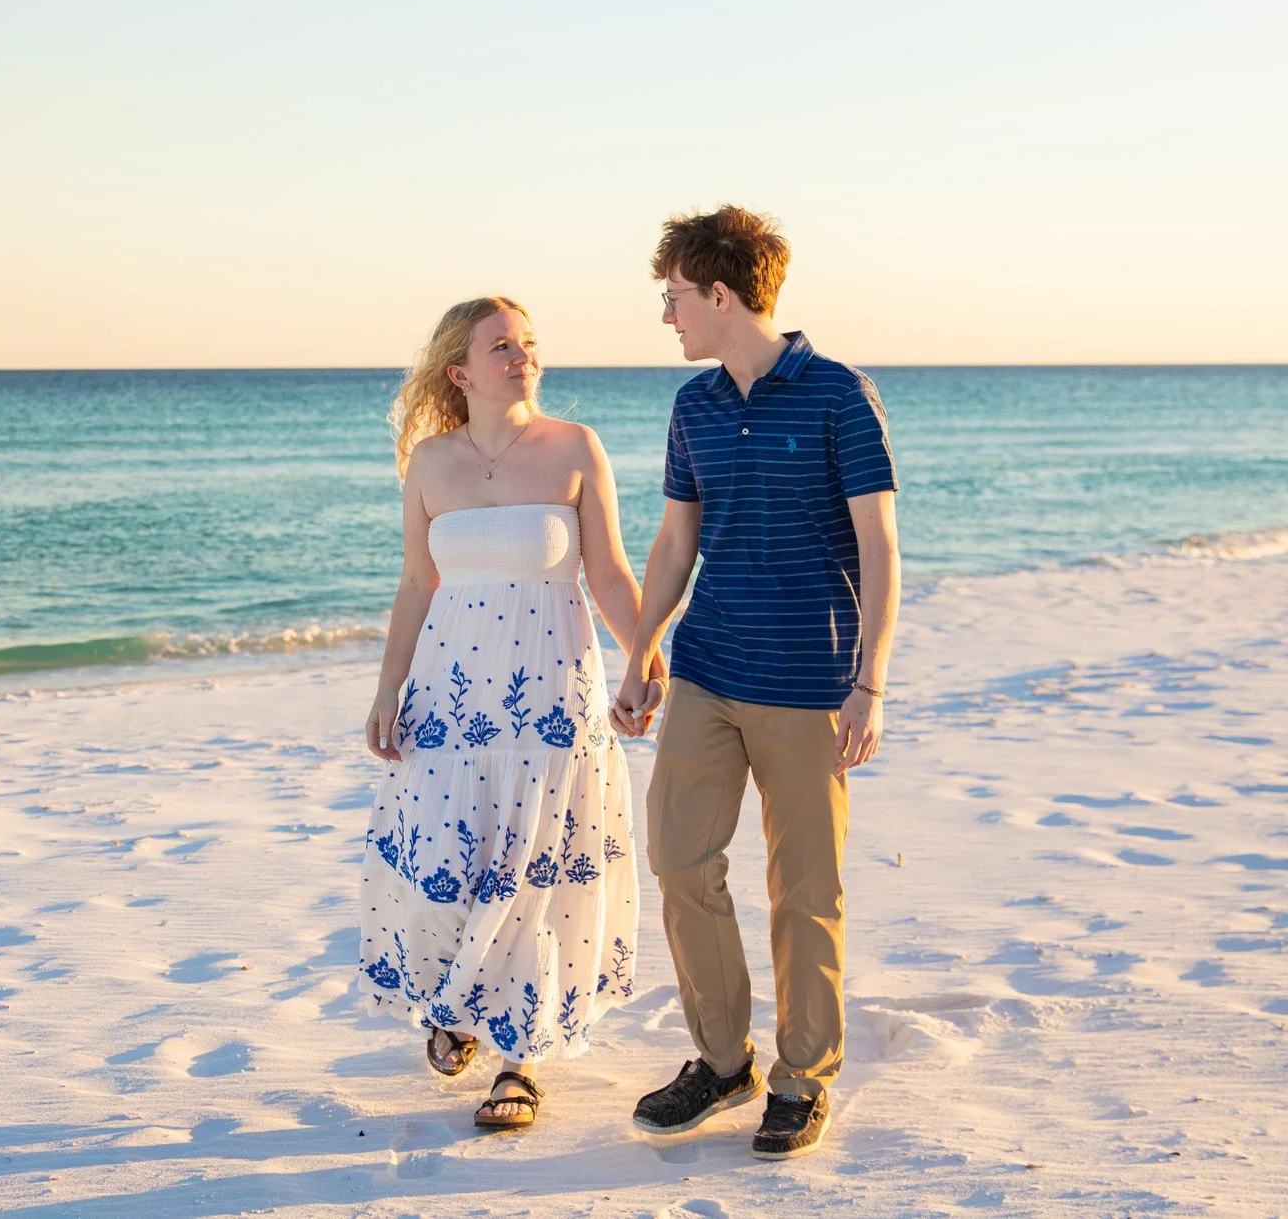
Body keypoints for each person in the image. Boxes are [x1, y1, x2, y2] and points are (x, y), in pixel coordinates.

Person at [611, 206, 902, 1162]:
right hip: (706, 672)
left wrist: (870, 682)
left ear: (722, 294)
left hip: (810, 685)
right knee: (680, 861)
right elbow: (674, 540)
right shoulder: (693, 405)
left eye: (676, 296)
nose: (669, 316)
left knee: (804, 887)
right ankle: (722, 1060)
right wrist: (641, 647)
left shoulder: (839, 396)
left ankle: (803, 1076)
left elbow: (879, 545)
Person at [359, 295, 658, 1133]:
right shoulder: (430, 462)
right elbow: (419, 584)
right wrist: (387, 690)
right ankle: (456, 1003)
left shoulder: (573, 448)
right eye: (502, 346)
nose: (523, 355)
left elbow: (609, 574)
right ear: (460, 370)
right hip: (450, 696)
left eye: (528, 342)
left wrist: (644, 658)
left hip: (551, 693)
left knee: (533, 867)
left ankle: (519, 1058)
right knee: (449, 857)